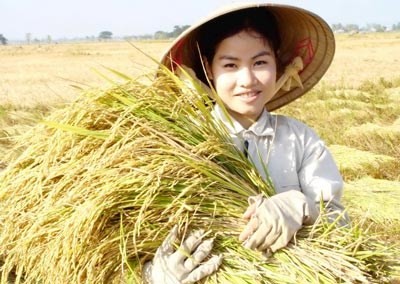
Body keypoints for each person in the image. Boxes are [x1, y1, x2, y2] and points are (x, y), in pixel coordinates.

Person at [143, 3, 348, 283]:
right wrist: (156, 274)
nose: (247, 80)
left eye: (260, 63)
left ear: (277, 63)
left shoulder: (300, 139)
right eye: (230, 65)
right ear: (209, 69)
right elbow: (139, 240)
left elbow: (342, 226)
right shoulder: (180, 145)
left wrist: (302, 207)